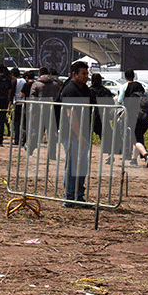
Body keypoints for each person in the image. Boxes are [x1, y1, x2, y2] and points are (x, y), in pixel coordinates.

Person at [59, 61, 95, 207]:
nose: (86, 76)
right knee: (73, 165)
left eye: (87, 74)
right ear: (74, 74)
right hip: (72, 134)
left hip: (83, 134)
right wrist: (79, 135)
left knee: (82, 167)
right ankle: (69, 197)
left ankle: (79, 196)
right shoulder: (70, 89)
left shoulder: (85, 89)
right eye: (83, 73)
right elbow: (70, 114)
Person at [118, 69, 148, 167]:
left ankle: (145, 155)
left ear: (125, 77)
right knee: (138, 136)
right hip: (144, 116)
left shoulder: (125, 88)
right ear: (133, 76)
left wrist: (120, 117)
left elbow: (121, 102)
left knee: (134, 139)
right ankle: (134, 160)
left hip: (133, 117)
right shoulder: (140, 87)